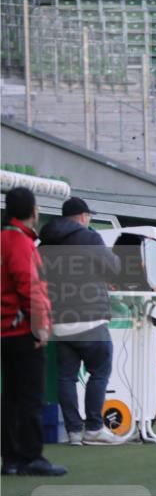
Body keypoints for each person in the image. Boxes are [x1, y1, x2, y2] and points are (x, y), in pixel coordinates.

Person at [40, 197, 126, 446]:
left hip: (59, 319)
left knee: (66, 377)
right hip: (90, 318)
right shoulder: (89, 237)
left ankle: (74, 432)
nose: (88, 220)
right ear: (81, 216)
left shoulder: (44, 242)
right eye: (88, 216)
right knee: (99, 372)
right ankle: (94, 429)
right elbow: (114, 267)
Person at [1, 187, 66, 476]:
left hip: (6, 329)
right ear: (33, 211)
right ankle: (30, 457)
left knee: (12, 397)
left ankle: (12, 458)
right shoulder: (20, 243)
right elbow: (30, 287)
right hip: (22, 330)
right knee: (29, 397)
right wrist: (40, 326)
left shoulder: (4, 239)